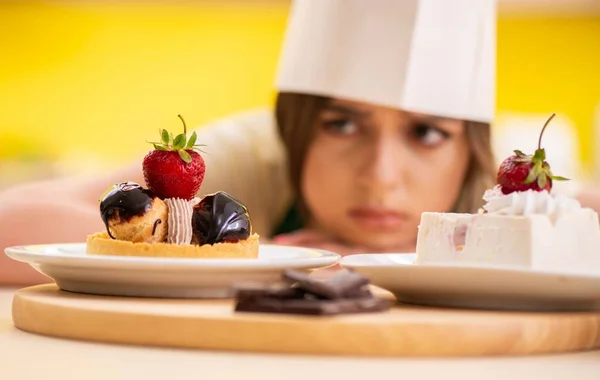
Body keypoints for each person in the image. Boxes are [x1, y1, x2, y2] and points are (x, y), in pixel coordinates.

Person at [1, 0, 598, 286]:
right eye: (341, 125)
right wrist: (255, 258)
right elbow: (15, 221)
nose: (380, 176)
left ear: (469, 149)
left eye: (426, 133)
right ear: (296, 129)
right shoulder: (262, 152)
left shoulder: (517, 172)